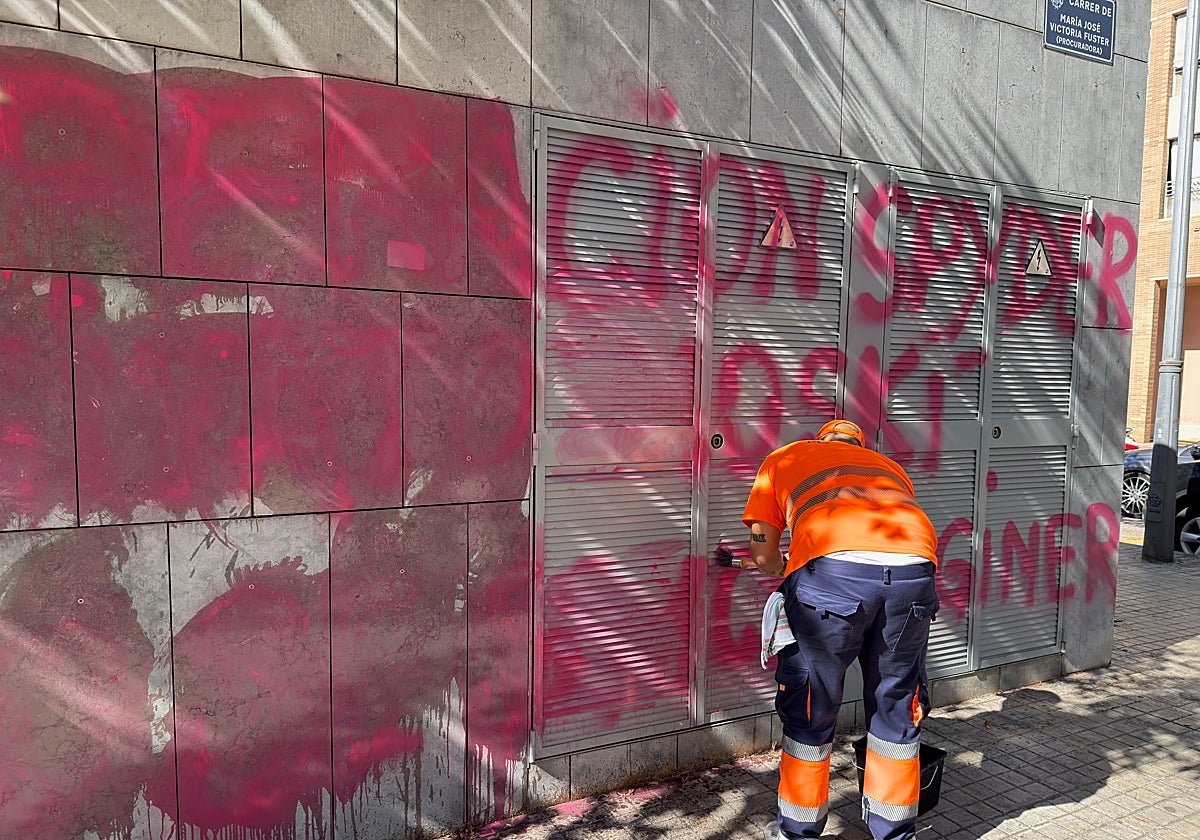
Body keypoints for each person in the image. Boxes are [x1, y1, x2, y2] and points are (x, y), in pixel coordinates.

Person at [742, 419, 939, 840]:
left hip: (832, 579)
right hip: (913, 576)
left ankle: (798, 832)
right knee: (896, 705)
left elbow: (762, 549)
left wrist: (779, 567)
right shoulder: (888, 466)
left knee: (812, 709)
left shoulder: (787, 457)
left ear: (821, 439)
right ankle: (896, 833)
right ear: (860, 445)